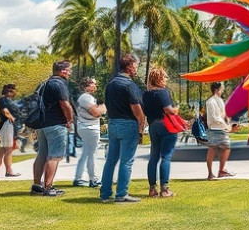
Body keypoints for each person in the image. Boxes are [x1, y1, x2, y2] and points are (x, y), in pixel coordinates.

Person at [99, 55, 145, 203]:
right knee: (126, 161)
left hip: (113, 123)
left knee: (111, 160)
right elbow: (136, 107)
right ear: (130, 66)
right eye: (136, 65)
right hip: (128, 124)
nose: (136, 68)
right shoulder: (129, 85)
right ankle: (121, 194)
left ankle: (105, 194)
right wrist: (141, 124)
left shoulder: (111, 83)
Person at [31, 60, 73, 197]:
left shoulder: (46, 83)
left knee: (42, 155)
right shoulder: (59, 83)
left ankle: (37, 186)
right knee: (54, 156)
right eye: (69, 70)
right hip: (56, 124)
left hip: (43, 124)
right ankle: (48, 187)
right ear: (63, 71)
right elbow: (65, 104)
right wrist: (69, 120)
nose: (70, 72)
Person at [143, 65, 180, 198]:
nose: (165, 79)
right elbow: (168, 110)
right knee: (166, 157)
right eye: (164, 77)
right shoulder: (162, 92)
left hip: (153, 126)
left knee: (154, 157)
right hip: (166, 125)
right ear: (158, 78)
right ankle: (164, 189)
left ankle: (152, 189)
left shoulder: (145, 94)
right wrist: (176, 110)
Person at [74, 77, 107, 187]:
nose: (95, 86)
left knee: (86, 153)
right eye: (93, 84)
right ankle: (94, 179)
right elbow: (96, 113)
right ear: (86, 86)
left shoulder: (88, 97)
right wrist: (103, 107)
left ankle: (78, 178)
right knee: (93, 154)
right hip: (90, 128)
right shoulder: (85, 97)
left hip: (87, 127)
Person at [205, 81, 235, 180]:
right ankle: (210, 174)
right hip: (213, 129)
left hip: (221, 128)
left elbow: (223, 114)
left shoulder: (220, 100)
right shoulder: (210, 102)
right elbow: (214, 118)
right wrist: (226, 125)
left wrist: (228, 121)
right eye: (222, 87)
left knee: (226, 147)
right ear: (216, 89)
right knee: (212, 150)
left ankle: (221, 171)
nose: (223, 89)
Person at [0, 84, 21, 179]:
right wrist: (13, 119)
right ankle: (9, 171)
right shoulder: (3, 100)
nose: (15, 92)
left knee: (2, 149)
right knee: (8, 149)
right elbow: (5, 111)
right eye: (14, 90)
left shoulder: (8, 100)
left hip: (6, 126)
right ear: (10, 91)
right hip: (7, 125)